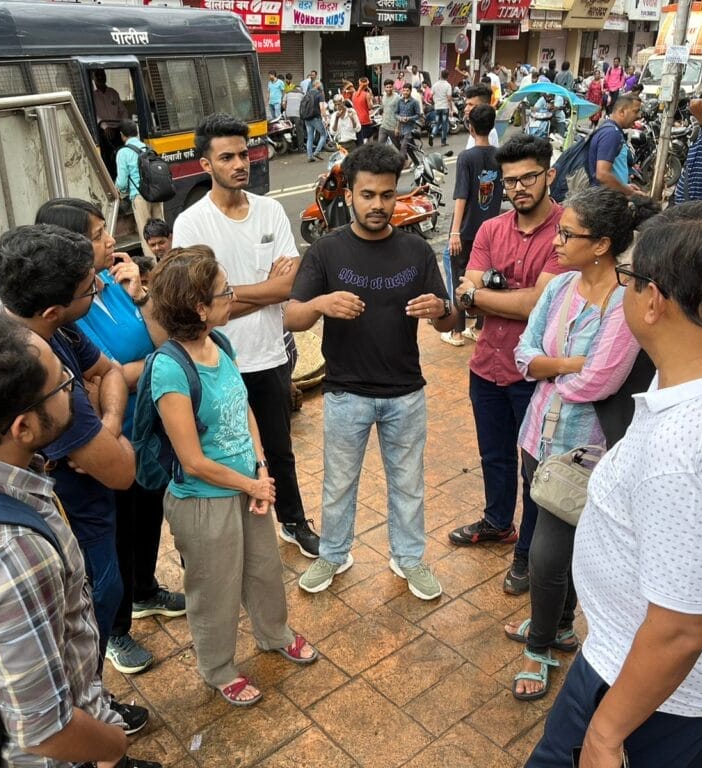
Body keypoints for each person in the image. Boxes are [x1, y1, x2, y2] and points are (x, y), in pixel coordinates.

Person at [527, 202, 702, 768]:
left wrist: (605, 733)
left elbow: (678, 631)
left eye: (629, 277)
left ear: (653, 300)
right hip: (683, 667)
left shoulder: (687, 447)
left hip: (650, 687)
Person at [0, 308, 161, 768]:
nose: (73, 380)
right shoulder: (9, 558)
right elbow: (45, 730)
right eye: (63, 383)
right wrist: (114, 747)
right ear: (22, 428)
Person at [0, 226, 147, 737]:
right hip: (67, 528)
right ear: (52, 310)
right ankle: (93, 726)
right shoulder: (36, 373)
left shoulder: (42, 328)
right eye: (88, 288)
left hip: (83, 510)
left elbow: (112, 372)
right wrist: (106, 435)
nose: (99, 290)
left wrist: (107, 427)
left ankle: (92, 704)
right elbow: (122, 471)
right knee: (80, 625)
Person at [148, 246, 318, 707]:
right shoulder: (169, 369)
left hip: (247, 488)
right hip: (205, 501)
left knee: (264, 570)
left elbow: (242, 409)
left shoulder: (219, 344)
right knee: (214, 589)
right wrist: (251, 485)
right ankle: (219, 668)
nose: (232, 296)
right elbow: (193, 460)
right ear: (200, 308)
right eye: (224, 291)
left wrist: (260, 467)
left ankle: (274, 633)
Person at [504, 187, 656, 702]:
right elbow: (523, 354)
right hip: (536, 434)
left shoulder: (625, 300)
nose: (557, 240)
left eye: (569, 234)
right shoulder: (561, 286)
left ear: (603, 244)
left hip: (583, 450)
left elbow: (601, 382)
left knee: (547, 555)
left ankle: (540, 646)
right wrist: (563, 367)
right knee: (553, 540)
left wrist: (552, 371)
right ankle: (562, 626)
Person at [285, 143, 453, 599]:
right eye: (367, 195)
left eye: (386, 195)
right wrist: (320, 303)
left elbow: (449, 320)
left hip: (405, 392)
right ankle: (333, 554)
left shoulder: (416, 251)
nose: (378, 205)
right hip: (345, 393)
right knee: (338, 483)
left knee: (408, 484)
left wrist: (441, 308)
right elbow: (292, 315)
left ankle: (409, 558)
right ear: (350, 196)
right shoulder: (326, 250)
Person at [34, 199, 185, 677]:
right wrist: (130, 376)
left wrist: (140, 295)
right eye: (99, 234)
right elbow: (96, 383)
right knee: (112, 539)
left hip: (146, 429)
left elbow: (161, 344)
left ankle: (144, 591)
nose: (110, 240)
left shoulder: (112, 284)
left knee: (147, 517)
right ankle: (115, 630)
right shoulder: (67, 311)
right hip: (105, 445)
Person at [173, 114, 319, 557]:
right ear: (205, 165)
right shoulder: (191, 224)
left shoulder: (271, 211)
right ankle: (224, 539)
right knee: (220, 453)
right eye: (227, 157)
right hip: (216, 363)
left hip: (270, 356)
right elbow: (196, 303)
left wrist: (228, 298)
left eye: (244, 153)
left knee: (279, 449)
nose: (240, 163)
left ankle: (293, 521)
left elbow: (287, 287)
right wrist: (263, 292)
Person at [448, 135, 566, 595]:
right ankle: (498, 523)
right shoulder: (492, 229)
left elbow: (539, 306)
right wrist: (488, 296)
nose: (517, 188)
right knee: (493, 455)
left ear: (549, 175)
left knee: (535, 467)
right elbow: (465, 291)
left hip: (535, 374)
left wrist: (482, 295)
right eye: (509, 180)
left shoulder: (565, 232)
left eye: (528, 178)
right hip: (488, 364)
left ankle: (528, 554)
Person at [444, 104, 501, 347]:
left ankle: (456, 332)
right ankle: (478, 328)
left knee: (460, 277)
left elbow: (461, 195)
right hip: (490, 231)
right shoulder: (499, 155)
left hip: (466, 230)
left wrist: (455, 231)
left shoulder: (466, 157)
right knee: (485, 278)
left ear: (470, 127)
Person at [115, 120, 164, 261]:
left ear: (122, 135)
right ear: (136, 132)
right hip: (156, 193)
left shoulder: (123, 153)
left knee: (146, 234)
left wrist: (120, 191)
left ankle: (153, 269)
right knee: (161, 233)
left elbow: (122, 182)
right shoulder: (147, 147)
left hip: (139, 196)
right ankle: (167, 263)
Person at [587, 93, 642, 196]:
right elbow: (602, 175)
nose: (639, 116)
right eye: (636, 111)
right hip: (606, 200)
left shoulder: (612, 130)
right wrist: (630, 192)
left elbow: (614, 171)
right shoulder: (611, 133)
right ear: (622, 112)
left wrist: (624, 186)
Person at [93, 69, 130, 176]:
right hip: (103, 130)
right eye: (97, 76)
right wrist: (105, 127)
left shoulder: (113, 93)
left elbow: (123, 111)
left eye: (102, 75)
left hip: (118, 129)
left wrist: (123, 126)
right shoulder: (92, 95)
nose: (100, 77)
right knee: (107, 158)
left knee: (121, 155)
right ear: (94, 79)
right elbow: (94, 115)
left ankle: (122, 178)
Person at [463, 82, 501, 151]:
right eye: (466, 105)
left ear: (484, 107)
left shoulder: (487, 133)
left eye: (471, 105)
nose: (466, 109)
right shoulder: (477, 129)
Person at [303, 80, 329, 162]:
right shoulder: (319, 94)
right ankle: (317, 152)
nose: (321, 85)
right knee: (324, 135)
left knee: (310, 136)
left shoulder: (307, 93)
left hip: (307, 118)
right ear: (316, 85)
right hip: (316, 118)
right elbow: (322, 108)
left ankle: (309, 156)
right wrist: (325, 118)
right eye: (320, 84)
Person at [396, 83, 422, 162]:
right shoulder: (399, 101)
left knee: (403, 147)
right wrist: (399, 118)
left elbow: (418, 115)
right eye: (404, 90)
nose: (405, 92)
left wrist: (409, 118)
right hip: (402, 129)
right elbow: (395, 113)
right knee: (410, 148)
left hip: (410, 129)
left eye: (407, 91)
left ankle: (400, 165)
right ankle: (418, 163)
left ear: (410, 91)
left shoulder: (414, 102)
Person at [430, 69, 454, 147]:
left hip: (437, 107)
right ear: (447, 76)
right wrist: (451, 109)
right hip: (444, 107)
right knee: (444, 125)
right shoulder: (448, 85)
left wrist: (435, 102)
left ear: (440, 75)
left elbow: (431, 96)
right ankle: (443, 142)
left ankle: (432, 135)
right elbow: (449, 98)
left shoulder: (435, 84)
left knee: (437, 123)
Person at [377, 79, 400, 147]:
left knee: (398, 146)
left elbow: (400, 113)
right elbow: (383, 108)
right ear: (384, 88)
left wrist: (397, 128)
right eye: (387, 87)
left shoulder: (397, 98)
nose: (389, 89)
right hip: (384, 126)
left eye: (390, 87)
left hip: (393, 127)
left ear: (393, 87)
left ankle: (404, 157)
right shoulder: (384, 96)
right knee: (379, 146)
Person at [352, 77, 374, 144]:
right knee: (369, 139)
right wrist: (371, 96)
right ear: (367, 85)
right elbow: (370, 107)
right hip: (365, 120)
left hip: (356, 119)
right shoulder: (366, 94)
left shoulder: (354, 94)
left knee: (360, 139)